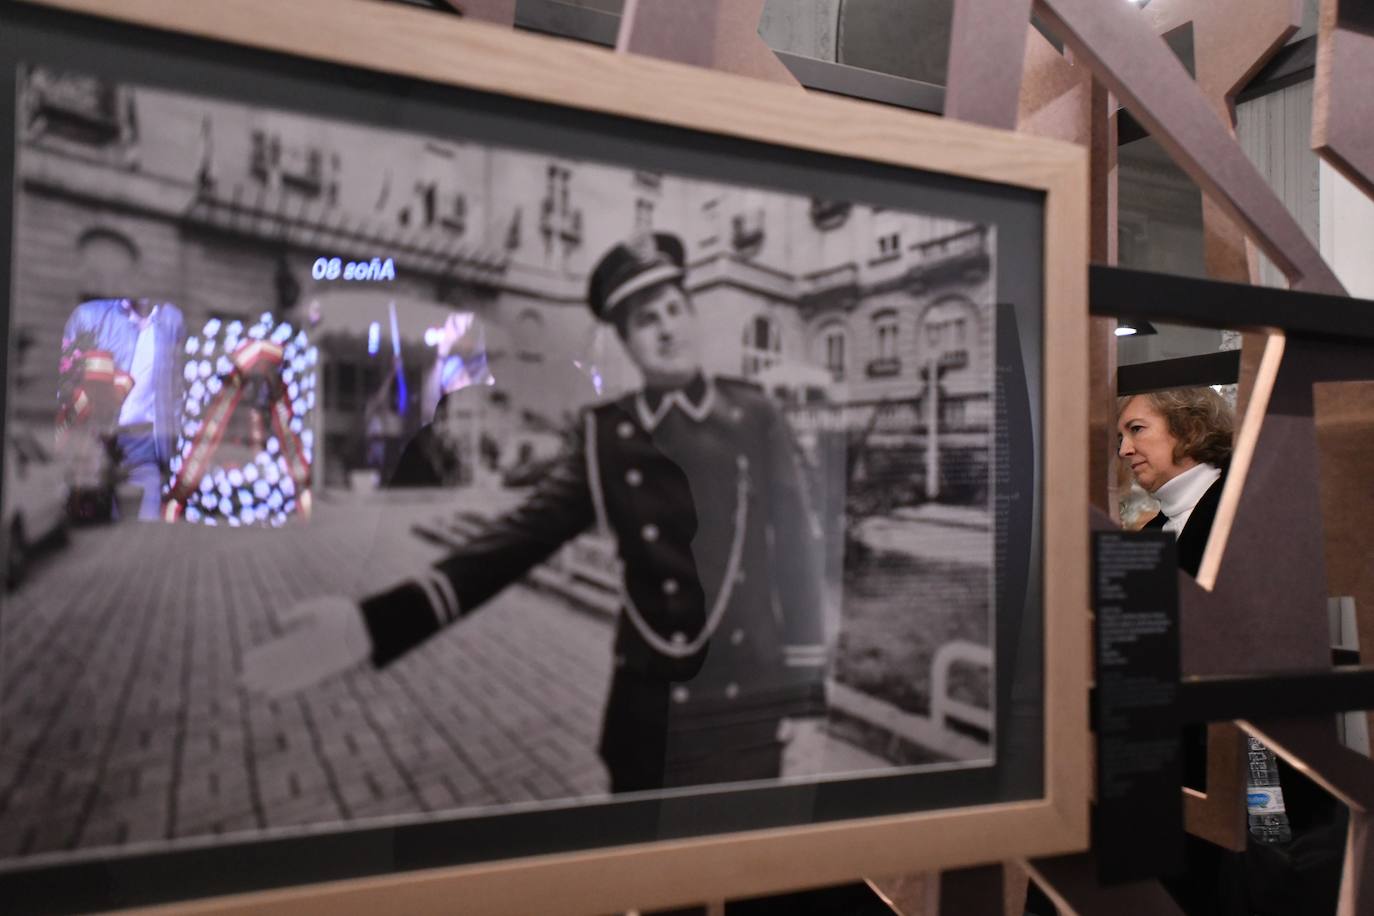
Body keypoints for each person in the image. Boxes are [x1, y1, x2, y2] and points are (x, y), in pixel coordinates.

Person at [242, 231, 828, 793]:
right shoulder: (608, 436)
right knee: (654, 887)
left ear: (693, 316)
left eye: (674, 309)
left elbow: (800, 557)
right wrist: (374, 625)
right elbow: (513, 543)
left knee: (748, 881)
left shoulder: (756, 418)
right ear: (627, 342)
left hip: (746, 701)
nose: (666, 327)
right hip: (651, 717)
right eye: (646, 320)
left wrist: (804, 695)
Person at [1117, 387, 1344, 916]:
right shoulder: (1153, 530)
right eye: (1121, 435)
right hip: (1179, 756)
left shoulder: (1241, 510)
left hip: (1251, 749)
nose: (1124, 448)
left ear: (1189, 428)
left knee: (1263, 880)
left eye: (1137, 429)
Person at [60, 297, 185, 520]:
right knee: (96, 534)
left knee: (145, 528)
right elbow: (66, 385)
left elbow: (177, 389)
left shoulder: (171, 321)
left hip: (145, 445)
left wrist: (172, 448)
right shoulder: (89, 316)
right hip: (97, 446)